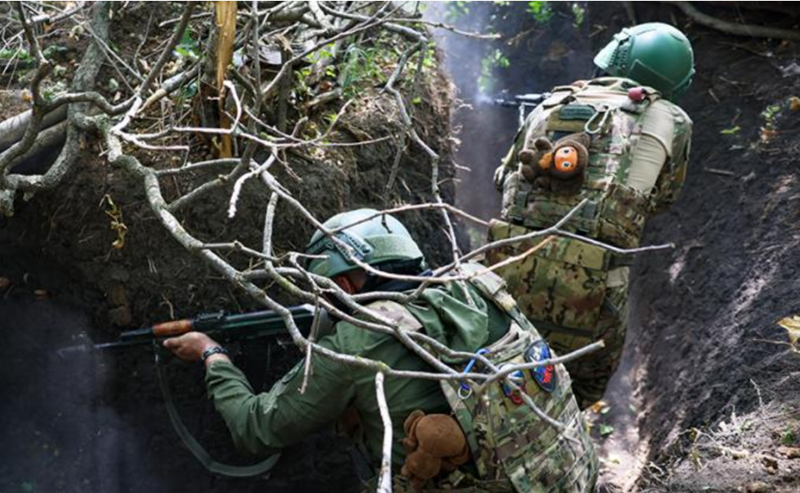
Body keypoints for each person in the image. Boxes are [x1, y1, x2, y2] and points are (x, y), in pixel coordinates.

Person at [164, 208, 598, 492]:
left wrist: (211, 354)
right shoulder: (477, 283)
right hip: (567, 474)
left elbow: (257, 429)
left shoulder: (359, 343)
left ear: (348, 282)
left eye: (328, 288)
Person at [488, 22, 694, 409]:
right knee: (579, 391)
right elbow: (662, 198)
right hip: (595, 292)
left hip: (508, 278)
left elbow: (504, 180)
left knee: (502, 377)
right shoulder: (673, 120)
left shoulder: (551, 102)